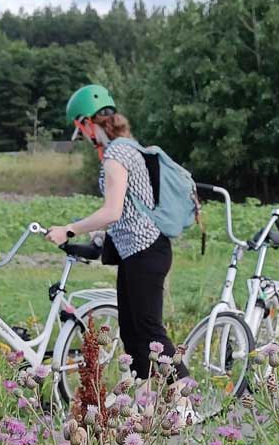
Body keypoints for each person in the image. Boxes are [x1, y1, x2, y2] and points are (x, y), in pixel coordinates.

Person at [46, 84, 189, 389]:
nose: (84, 137)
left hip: (145, 251)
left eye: (81, 129)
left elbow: (112, 210)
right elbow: (128, 208)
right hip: (138, 252)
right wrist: (101, 236)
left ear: (86, 123)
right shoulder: (128, 146)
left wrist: (68, 230)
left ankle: (186, 398)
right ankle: (143, 404)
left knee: (149, 332)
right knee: (132, 333)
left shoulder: (115, 155)